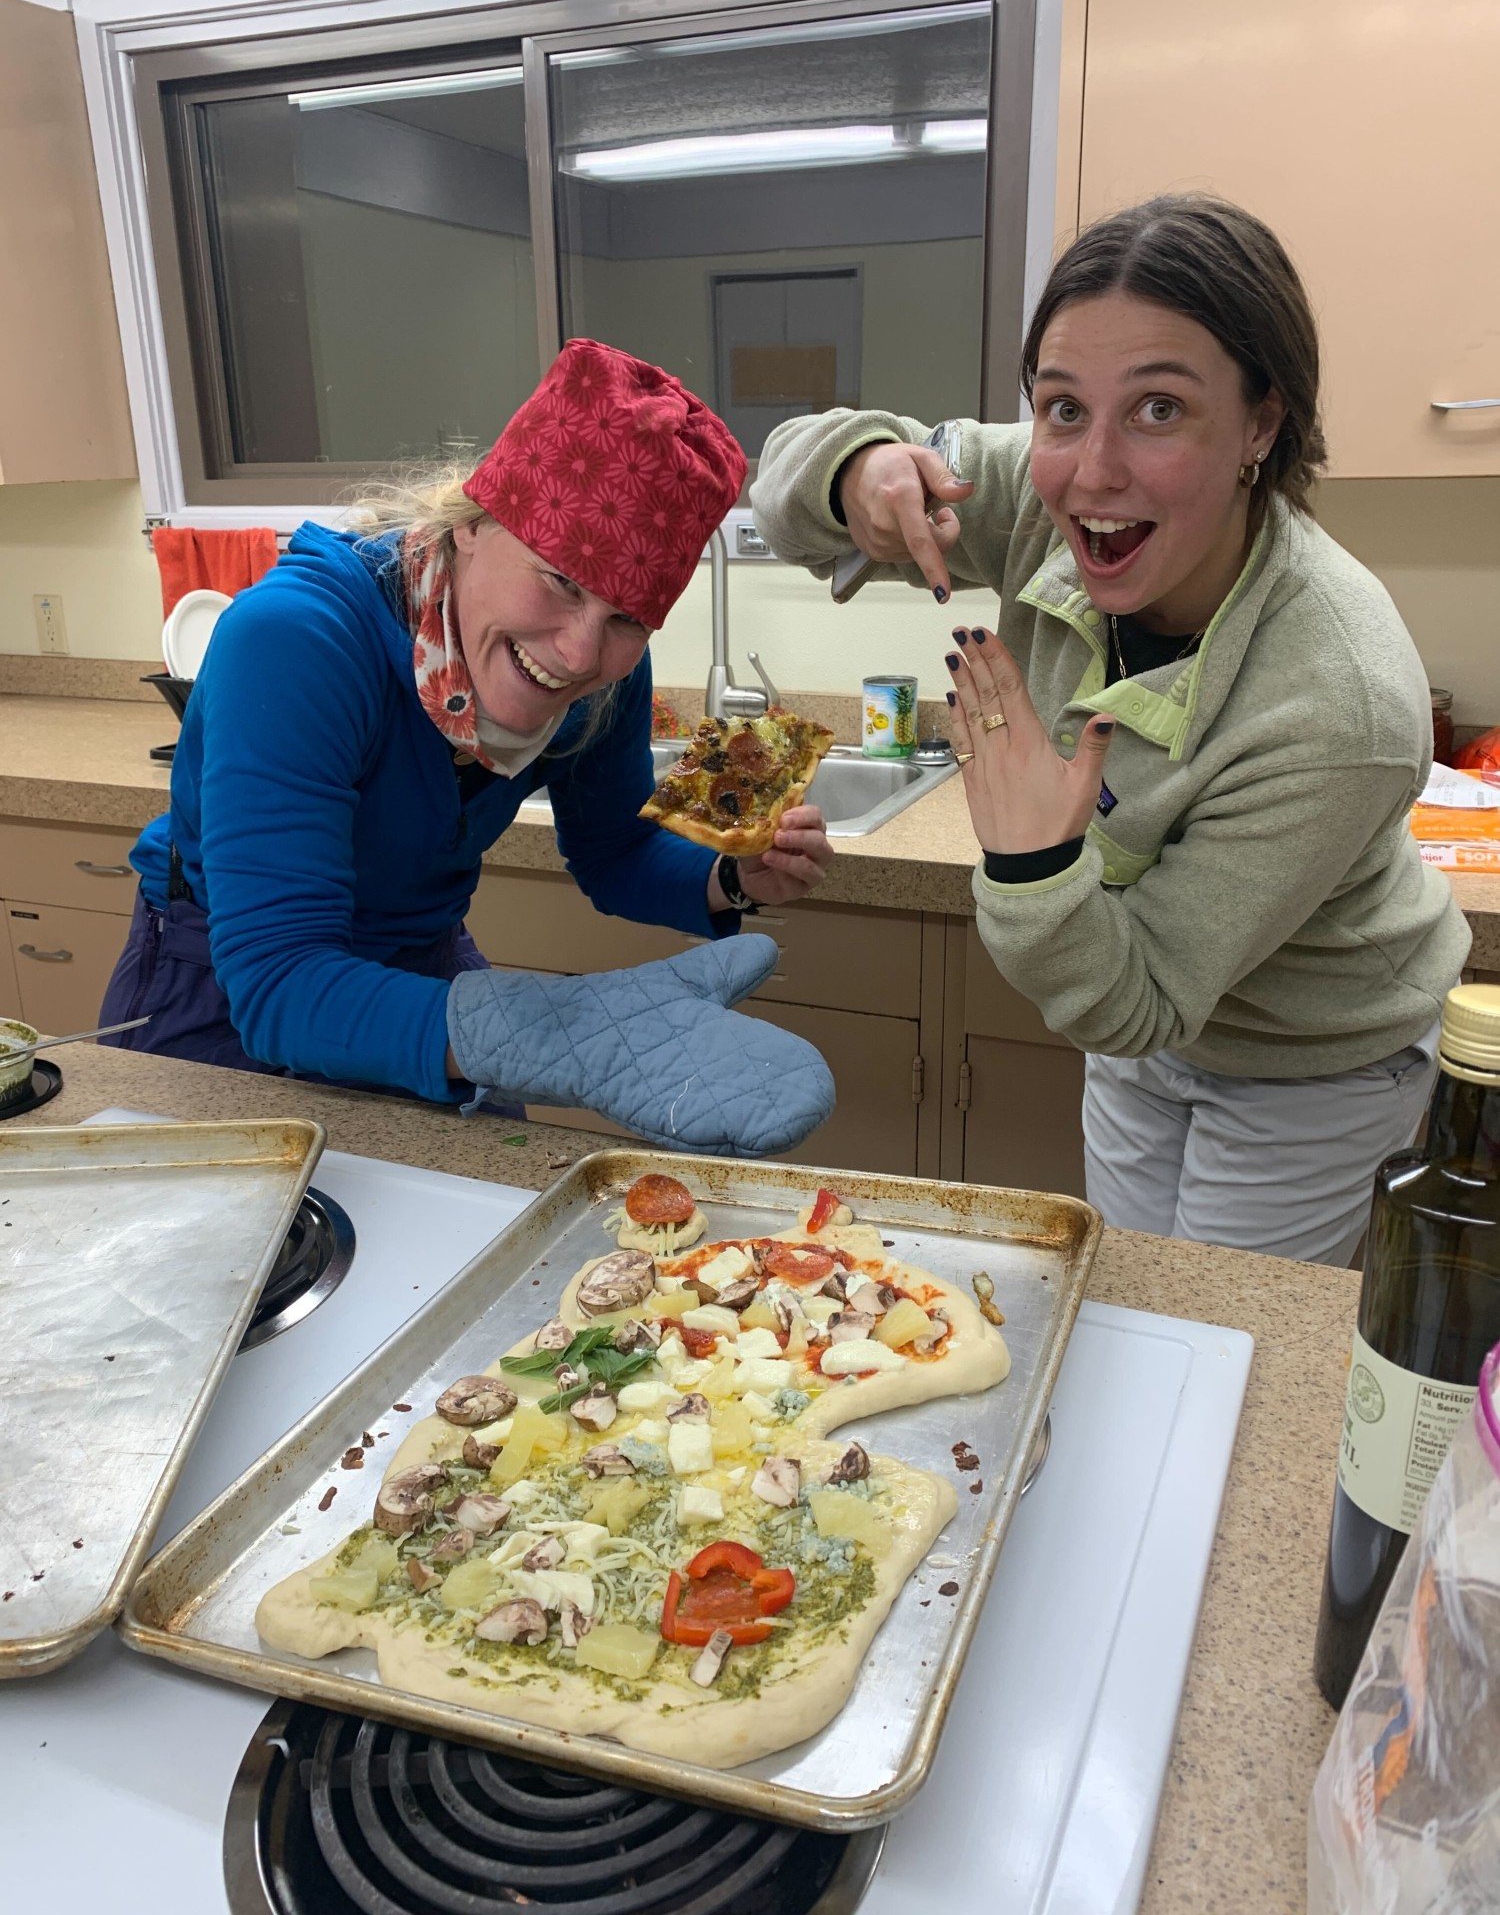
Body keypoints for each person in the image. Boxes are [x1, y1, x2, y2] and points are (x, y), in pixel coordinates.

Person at [752, 194, 1470, 1262]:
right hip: (1132, 1002)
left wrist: (1032, 864)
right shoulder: (1041, 490)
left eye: (1160, 409)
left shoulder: (1339, 696)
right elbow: (784, 483)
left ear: (1262, 424)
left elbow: (1143, 998)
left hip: (1316, 1059)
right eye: (1062, 407)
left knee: (1224, 1327)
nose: (1093, 472)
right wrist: (858, 467)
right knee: (1132, 1288)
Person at [101, 339, 836, 1156]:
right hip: (226, 987)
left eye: (628, 619)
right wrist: (557, 1033)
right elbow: (281, 982)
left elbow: (615, 850)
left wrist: (730, 877)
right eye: (560, 579)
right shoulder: (297, 642)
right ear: (476, 523)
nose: (578, 653)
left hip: (422, 967)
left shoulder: (605, 680)